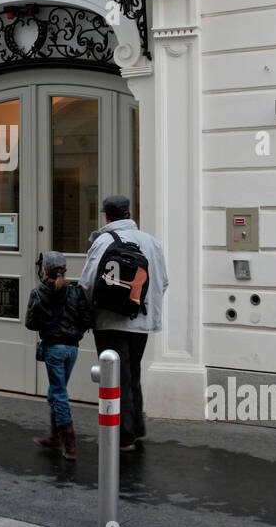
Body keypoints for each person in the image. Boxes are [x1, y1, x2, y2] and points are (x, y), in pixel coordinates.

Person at [78, 195, 168, 452]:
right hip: (141, 320)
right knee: (133, 373)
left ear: (106, 216)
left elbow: (87, 282)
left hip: (109, 320)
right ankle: (137, 429)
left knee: (116, 378)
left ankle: (124, 435)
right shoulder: (151, 242)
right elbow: (162, 281)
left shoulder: (103, 241)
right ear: (129, 213)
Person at [24, 251, 93, 460]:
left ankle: (70, 445)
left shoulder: (38, 293)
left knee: (59, 394)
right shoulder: (76, 291)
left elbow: (30, 323)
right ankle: (55, 436)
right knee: (56, 391)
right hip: (72, 349)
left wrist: (47, 325)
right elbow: (86, 319)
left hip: (54, 349)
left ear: (44, 270)